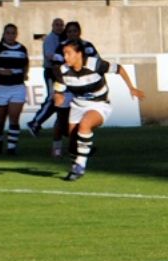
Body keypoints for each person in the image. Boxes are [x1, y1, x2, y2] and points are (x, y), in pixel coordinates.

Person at [54, 39, 143, 181]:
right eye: (64, 54)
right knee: (72, 142)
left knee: (85, 124)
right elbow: (58, 90)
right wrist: (58, 97)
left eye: (68, 53)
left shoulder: (95, 64)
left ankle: (81, 165)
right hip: (77, 105)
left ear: (79, 53)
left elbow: (119, 68)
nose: (65, 57)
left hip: (99, 104)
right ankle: (75, 168)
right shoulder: (62, 70)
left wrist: (131, 87)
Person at [49, 21, 100, 158]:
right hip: (67, 88)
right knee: (62, 120)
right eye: (69, 31)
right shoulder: (61, 48)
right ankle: (57, 147)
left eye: (74, 31)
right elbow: (55, 68)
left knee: (85, 118)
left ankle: (82, 146)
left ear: (79, 32)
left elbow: (97, 64)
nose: (72, 33)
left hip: (84, 88)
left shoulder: (88, 46)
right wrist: (63, 81)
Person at [0, 23, 29, 155]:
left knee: (14, 118)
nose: (11, 35)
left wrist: (25, 73)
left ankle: (11, 148)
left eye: (13, 33)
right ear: (4, 34)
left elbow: (26, 63)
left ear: (16, 34)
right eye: (8, 33)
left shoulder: (22, 49)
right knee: (0, 120)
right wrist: (1, 72)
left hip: (17, 86)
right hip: (0, 87)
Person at [27, 18, 64, 138]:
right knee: (52, 99)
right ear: (52, 26)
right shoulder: (50, 39)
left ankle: (39, 123)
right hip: (52, 72)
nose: (59, 27)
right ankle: (35, 123)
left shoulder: (61, 38)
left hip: (60, 72)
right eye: (57, 25)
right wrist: (62, 58)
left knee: (57, 100)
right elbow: (49, 55)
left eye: (61, 25)